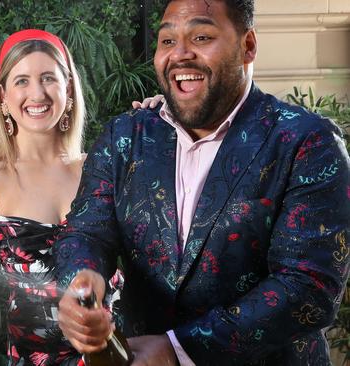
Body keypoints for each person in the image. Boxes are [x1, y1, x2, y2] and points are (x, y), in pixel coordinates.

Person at [55, 1, 350, 365]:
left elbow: (309, 286)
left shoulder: (306, 141)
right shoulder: (125, 135)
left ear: (248, 46)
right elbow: (85, 232)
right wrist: (80, 280)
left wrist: (178, 349)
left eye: (201, 36)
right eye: (166, 41)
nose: (180, 54)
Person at [0, 29, 125, 365]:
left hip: (115, 355)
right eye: (22, 81)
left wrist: (160, 120)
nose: (37, 93)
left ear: (68, 88)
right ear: (2, 95)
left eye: (48, 78)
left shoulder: (106, 167)